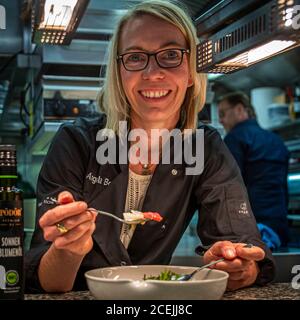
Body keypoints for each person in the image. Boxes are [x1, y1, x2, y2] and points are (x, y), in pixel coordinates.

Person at [25, 0, 275, 294]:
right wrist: (69, 248)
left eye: (170, 55)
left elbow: (240, 244)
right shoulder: (76, 142)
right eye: (135, 57)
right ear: (119, 71)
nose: (152, 72)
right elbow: (48, 279)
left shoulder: (205, 147)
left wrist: (238, 265)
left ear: (192, 69)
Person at [217, 92, 290, 249]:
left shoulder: (235, 139)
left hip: (253, 229)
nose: (221, 120)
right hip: (279, 226)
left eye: (222, 114)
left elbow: (229, 188)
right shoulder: (276, 140)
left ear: (239, 109)